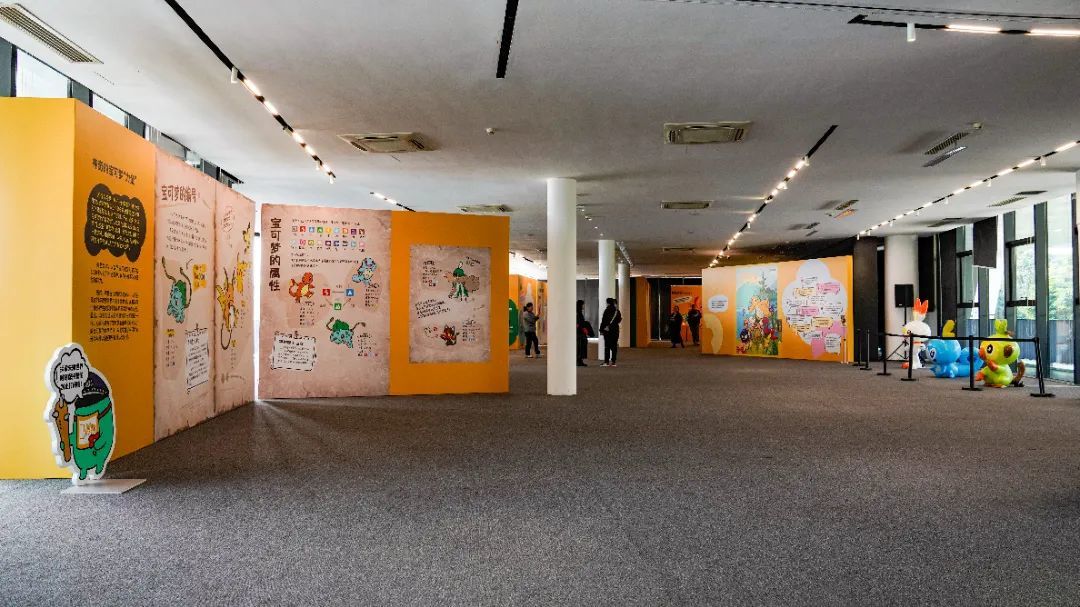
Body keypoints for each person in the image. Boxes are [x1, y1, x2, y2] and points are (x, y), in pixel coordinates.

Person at [599, 297, 622, 367]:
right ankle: (613, 362)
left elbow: (604, 321)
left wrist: (601, 330)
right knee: (614, 346)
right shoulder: (617, 311)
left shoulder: (607, 310)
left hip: (608, 331)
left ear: (608, 303)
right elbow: (619, 320)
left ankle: (606, 362)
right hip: (615, 330)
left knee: (607, 346)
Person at [576, 299, 591, 367]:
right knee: (581, 346)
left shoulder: (578, 312)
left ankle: (579, 360)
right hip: (580, 333)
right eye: (583, 305)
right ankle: (579, 360)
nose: (583, 306)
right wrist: (583, 328)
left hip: (579, 332)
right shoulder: (578, 313)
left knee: (580, 346)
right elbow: (579, 323)